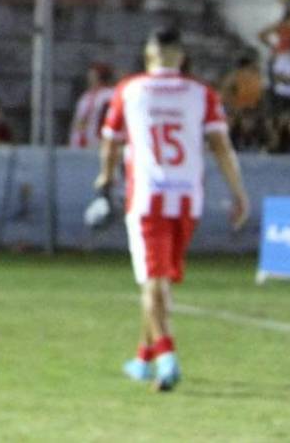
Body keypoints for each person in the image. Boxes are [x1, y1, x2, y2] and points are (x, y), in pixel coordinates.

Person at [93, 27, 251, 392]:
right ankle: (143, 358)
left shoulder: (130, 90)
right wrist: (239, 192)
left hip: (148, 197)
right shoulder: (202, 93)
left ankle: (166, 358)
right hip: (187, 201)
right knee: (159, 281)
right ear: (181, 56)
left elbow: (110, 143)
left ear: (150, 55)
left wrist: (104, 178)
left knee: (153, 282)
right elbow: (222, 147)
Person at [219, 51, 264, 150]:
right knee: (231, 123)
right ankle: (231, 142)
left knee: (248, 123)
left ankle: (249, 142)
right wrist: (232, 108)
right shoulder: (233, 78)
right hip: (235, 109)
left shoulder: (256, 77)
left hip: (249, 109)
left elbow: (258, 97)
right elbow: (224, 95)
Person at [69, 63, 115, 148]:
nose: (90, 79)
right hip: (80, 140)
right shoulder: (86, 96)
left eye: (93, 76)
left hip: (97, 141)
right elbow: (79, 119)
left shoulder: (109, 94)